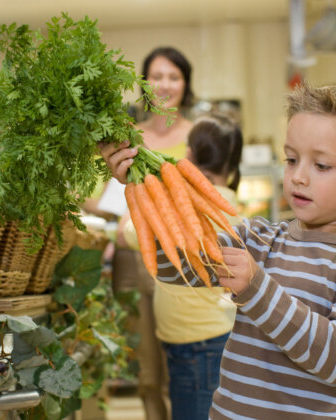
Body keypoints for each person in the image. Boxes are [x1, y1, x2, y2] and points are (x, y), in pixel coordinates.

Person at [100, 82, 336, 419]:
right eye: (291, 159)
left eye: (321, 166)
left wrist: (256, 287)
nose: (298, 177)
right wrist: (143, 189)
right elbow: (175, 267)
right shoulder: (258, 238)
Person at [122, 114, 243, 420]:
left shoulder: (180, 205)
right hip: (214, 335)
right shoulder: (234, 207)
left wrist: (134, 196)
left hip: (196, 346)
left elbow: (130, 234)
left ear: (188, 155)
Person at [111, 46, 194, 420]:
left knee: (181, 362)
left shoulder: (197, 135)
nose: (164, 85)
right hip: (132, 257)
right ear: (143, 84)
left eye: (173, 76)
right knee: (145, 370)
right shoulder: (128, 138)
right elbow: (98, 197)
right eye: (156, 77)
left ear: (186, 83)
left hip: (180, 256)